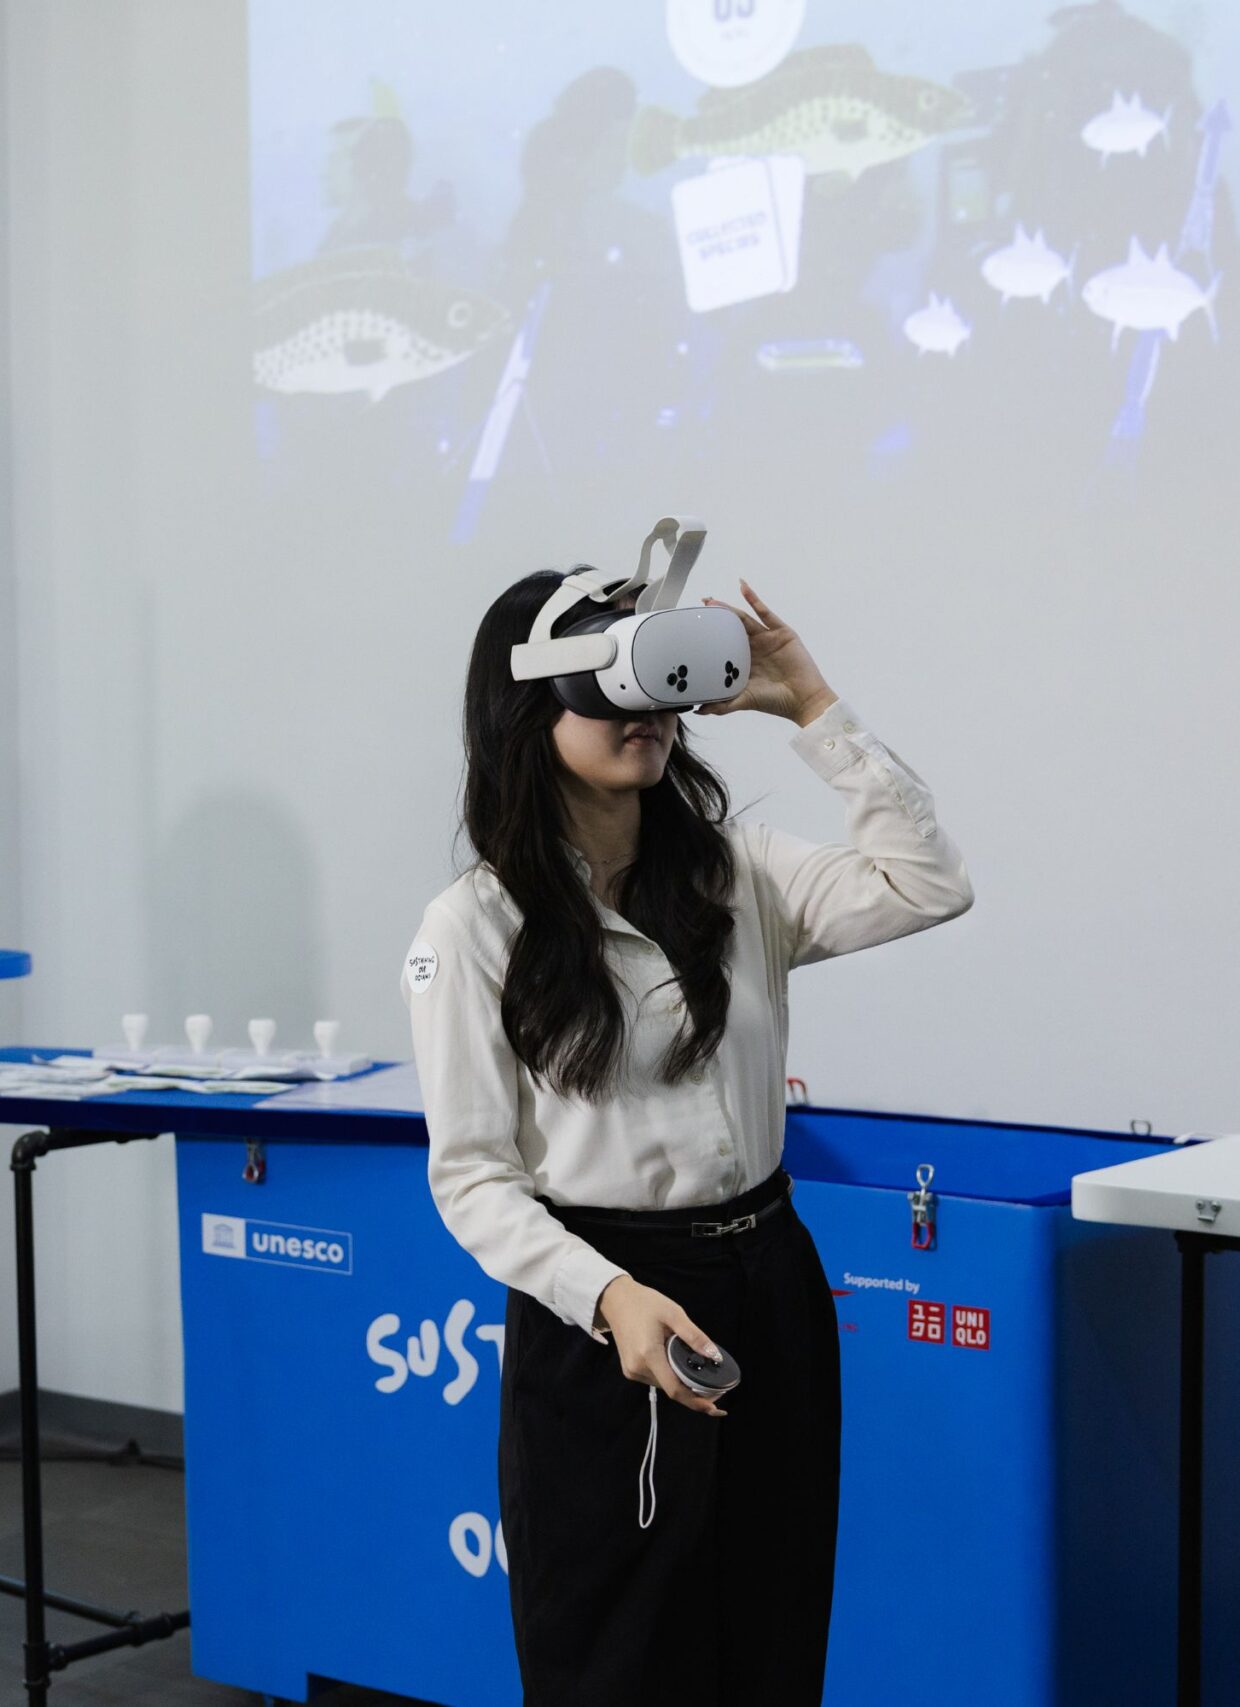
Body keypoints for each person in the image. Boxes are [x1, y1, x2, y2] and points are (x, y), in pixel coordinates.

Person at [403, 569, 972, 1702]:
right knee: (617, 1650)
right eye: (609, 686)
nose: (647, 712)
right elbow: (472, 1179)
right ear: (527, 710)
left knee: (772, 1624)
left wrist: (810, 702)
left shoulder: (735, 873)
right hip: (609, 1302)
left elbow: (928, 884)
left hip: (768, 1275)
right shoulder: (472, 927)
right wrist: (610, 1299)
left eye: (658, 680)